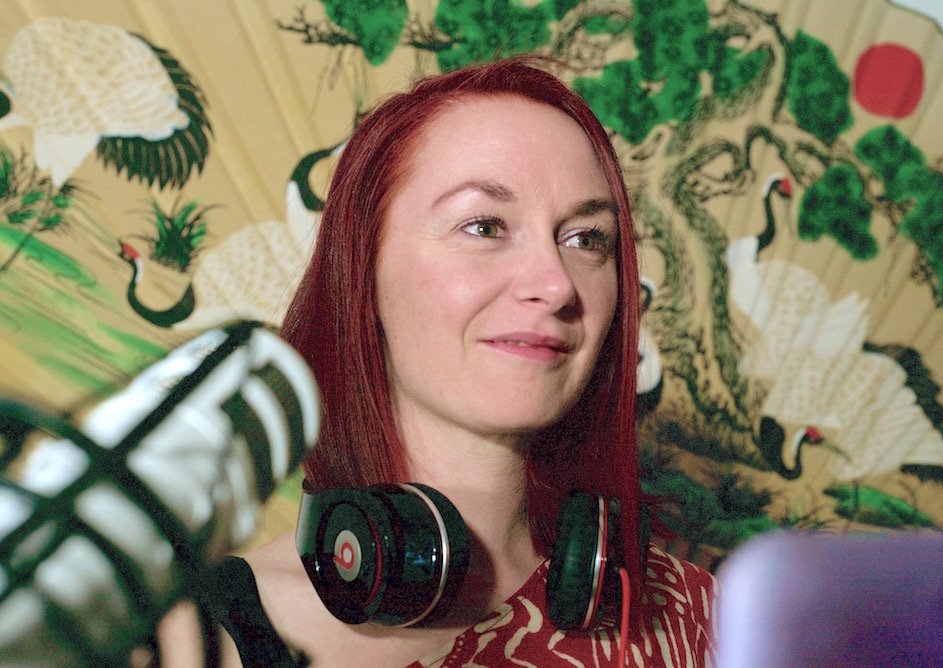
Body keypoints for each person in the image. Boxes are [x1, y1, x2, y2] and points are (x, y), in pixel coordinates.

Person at [164, 56, 716, 667]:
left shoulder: (708, 622)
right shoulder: (190, 641)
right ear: (364, 269)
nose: (556, 284)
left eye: (586, 239)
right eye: (485, 227)